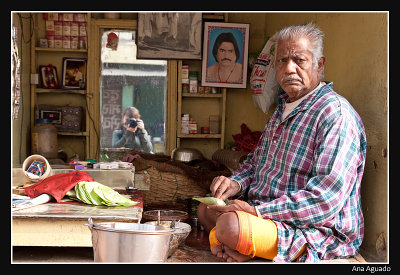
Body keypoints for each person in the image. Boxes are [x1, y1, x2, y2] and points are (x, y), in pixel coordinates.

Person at [197, 23, 367, 263]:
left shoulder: (335, 115)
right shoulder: (282, 110)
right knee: (206, 209)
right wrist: (235, 183)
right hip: (266, 215)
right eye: (282, 60)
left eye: (299, 60)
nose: (289, 68)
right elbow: (256, 163)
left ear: (319, 64)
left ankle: (236, 243)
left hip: (313, 230)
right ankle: (241, 247)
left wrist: (257, 212)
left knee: (229, 226)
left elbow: (324, 201)